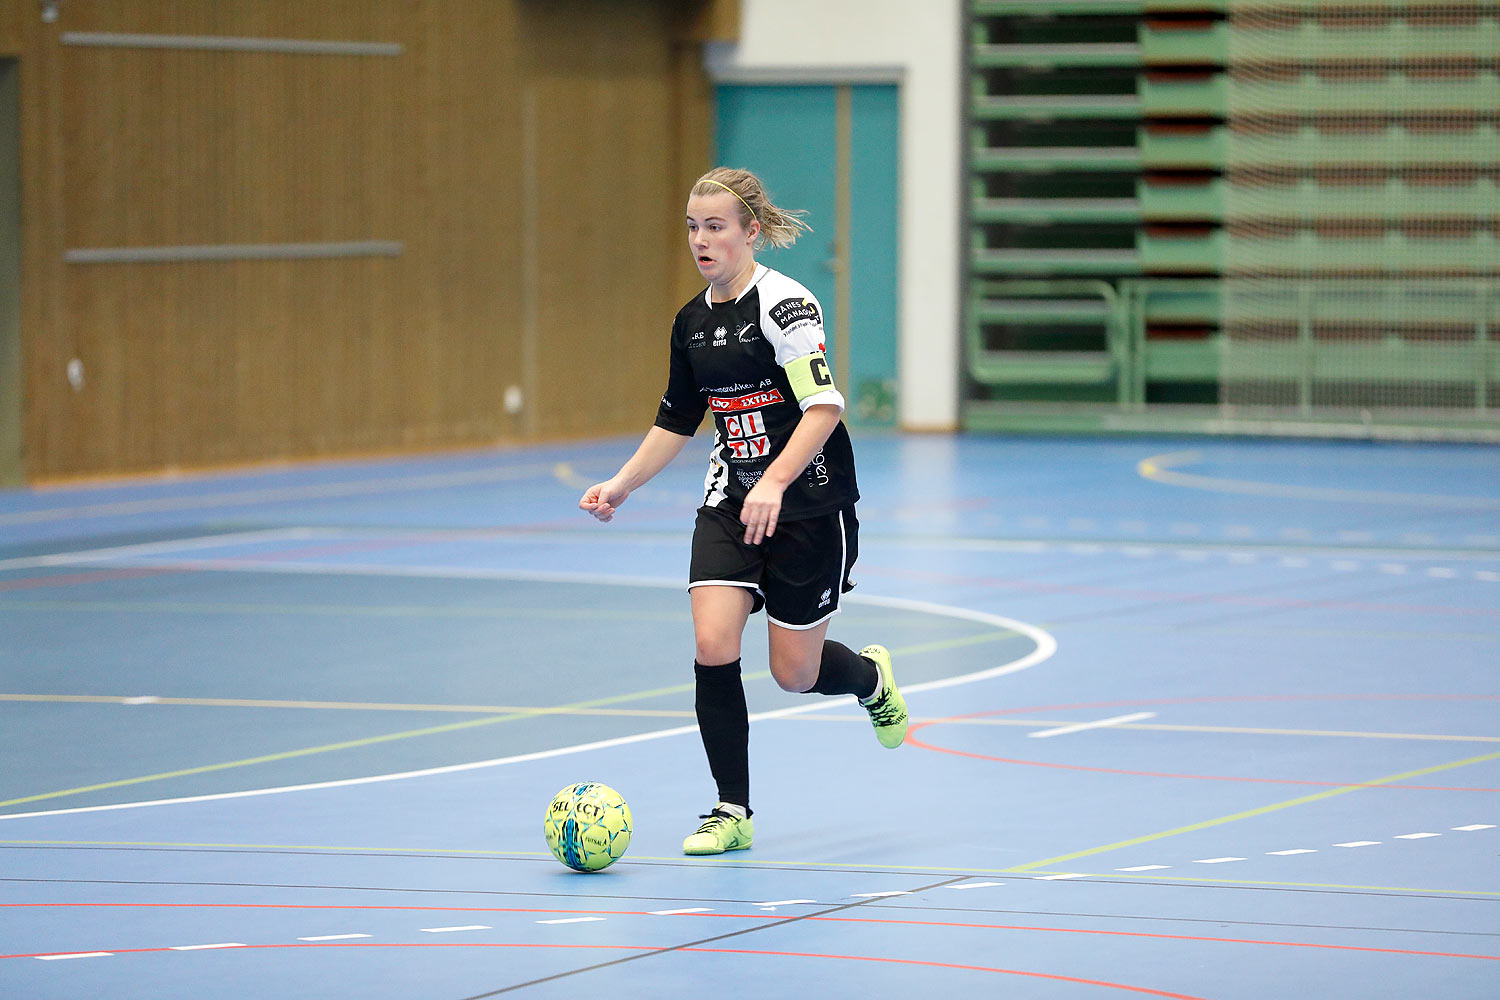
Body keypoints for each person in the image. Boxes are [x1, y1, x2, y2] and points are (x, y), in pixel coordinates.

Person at [579, 167, 907, 857]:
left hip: (809, 505)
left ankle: (870, 678)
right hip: (731, 500)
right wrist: (623, 483)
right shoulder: (692, 323)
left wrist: (776, 482)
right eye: (693, 227)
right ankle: (731, 810)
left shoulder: (787, 307)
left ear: (750, 232)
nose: (701, 240)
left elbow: (823, 407)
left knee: (796, 673)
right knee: (712, 643)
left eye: (716, 226)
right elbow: (677, 417)